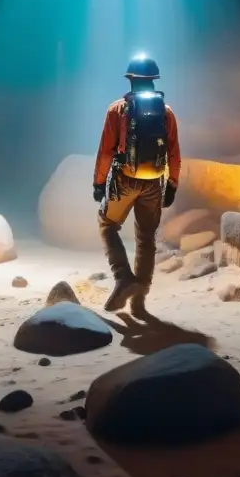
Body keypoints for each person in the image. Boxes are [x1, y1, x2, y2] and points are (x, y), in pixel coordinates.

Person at [92, 54, 181, 316]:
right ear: (154, 80)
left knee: (107, 224)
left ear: (130, 79)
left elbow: (106, 152)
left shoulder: (117, 109)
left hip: (125, 179)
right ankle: (139, 300)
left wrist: (98, 183)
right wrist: (172, 185)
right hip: (154, 182)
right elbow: (174, 153)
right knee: (146, 239)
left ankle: (123, 279)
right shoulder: (166, 112)